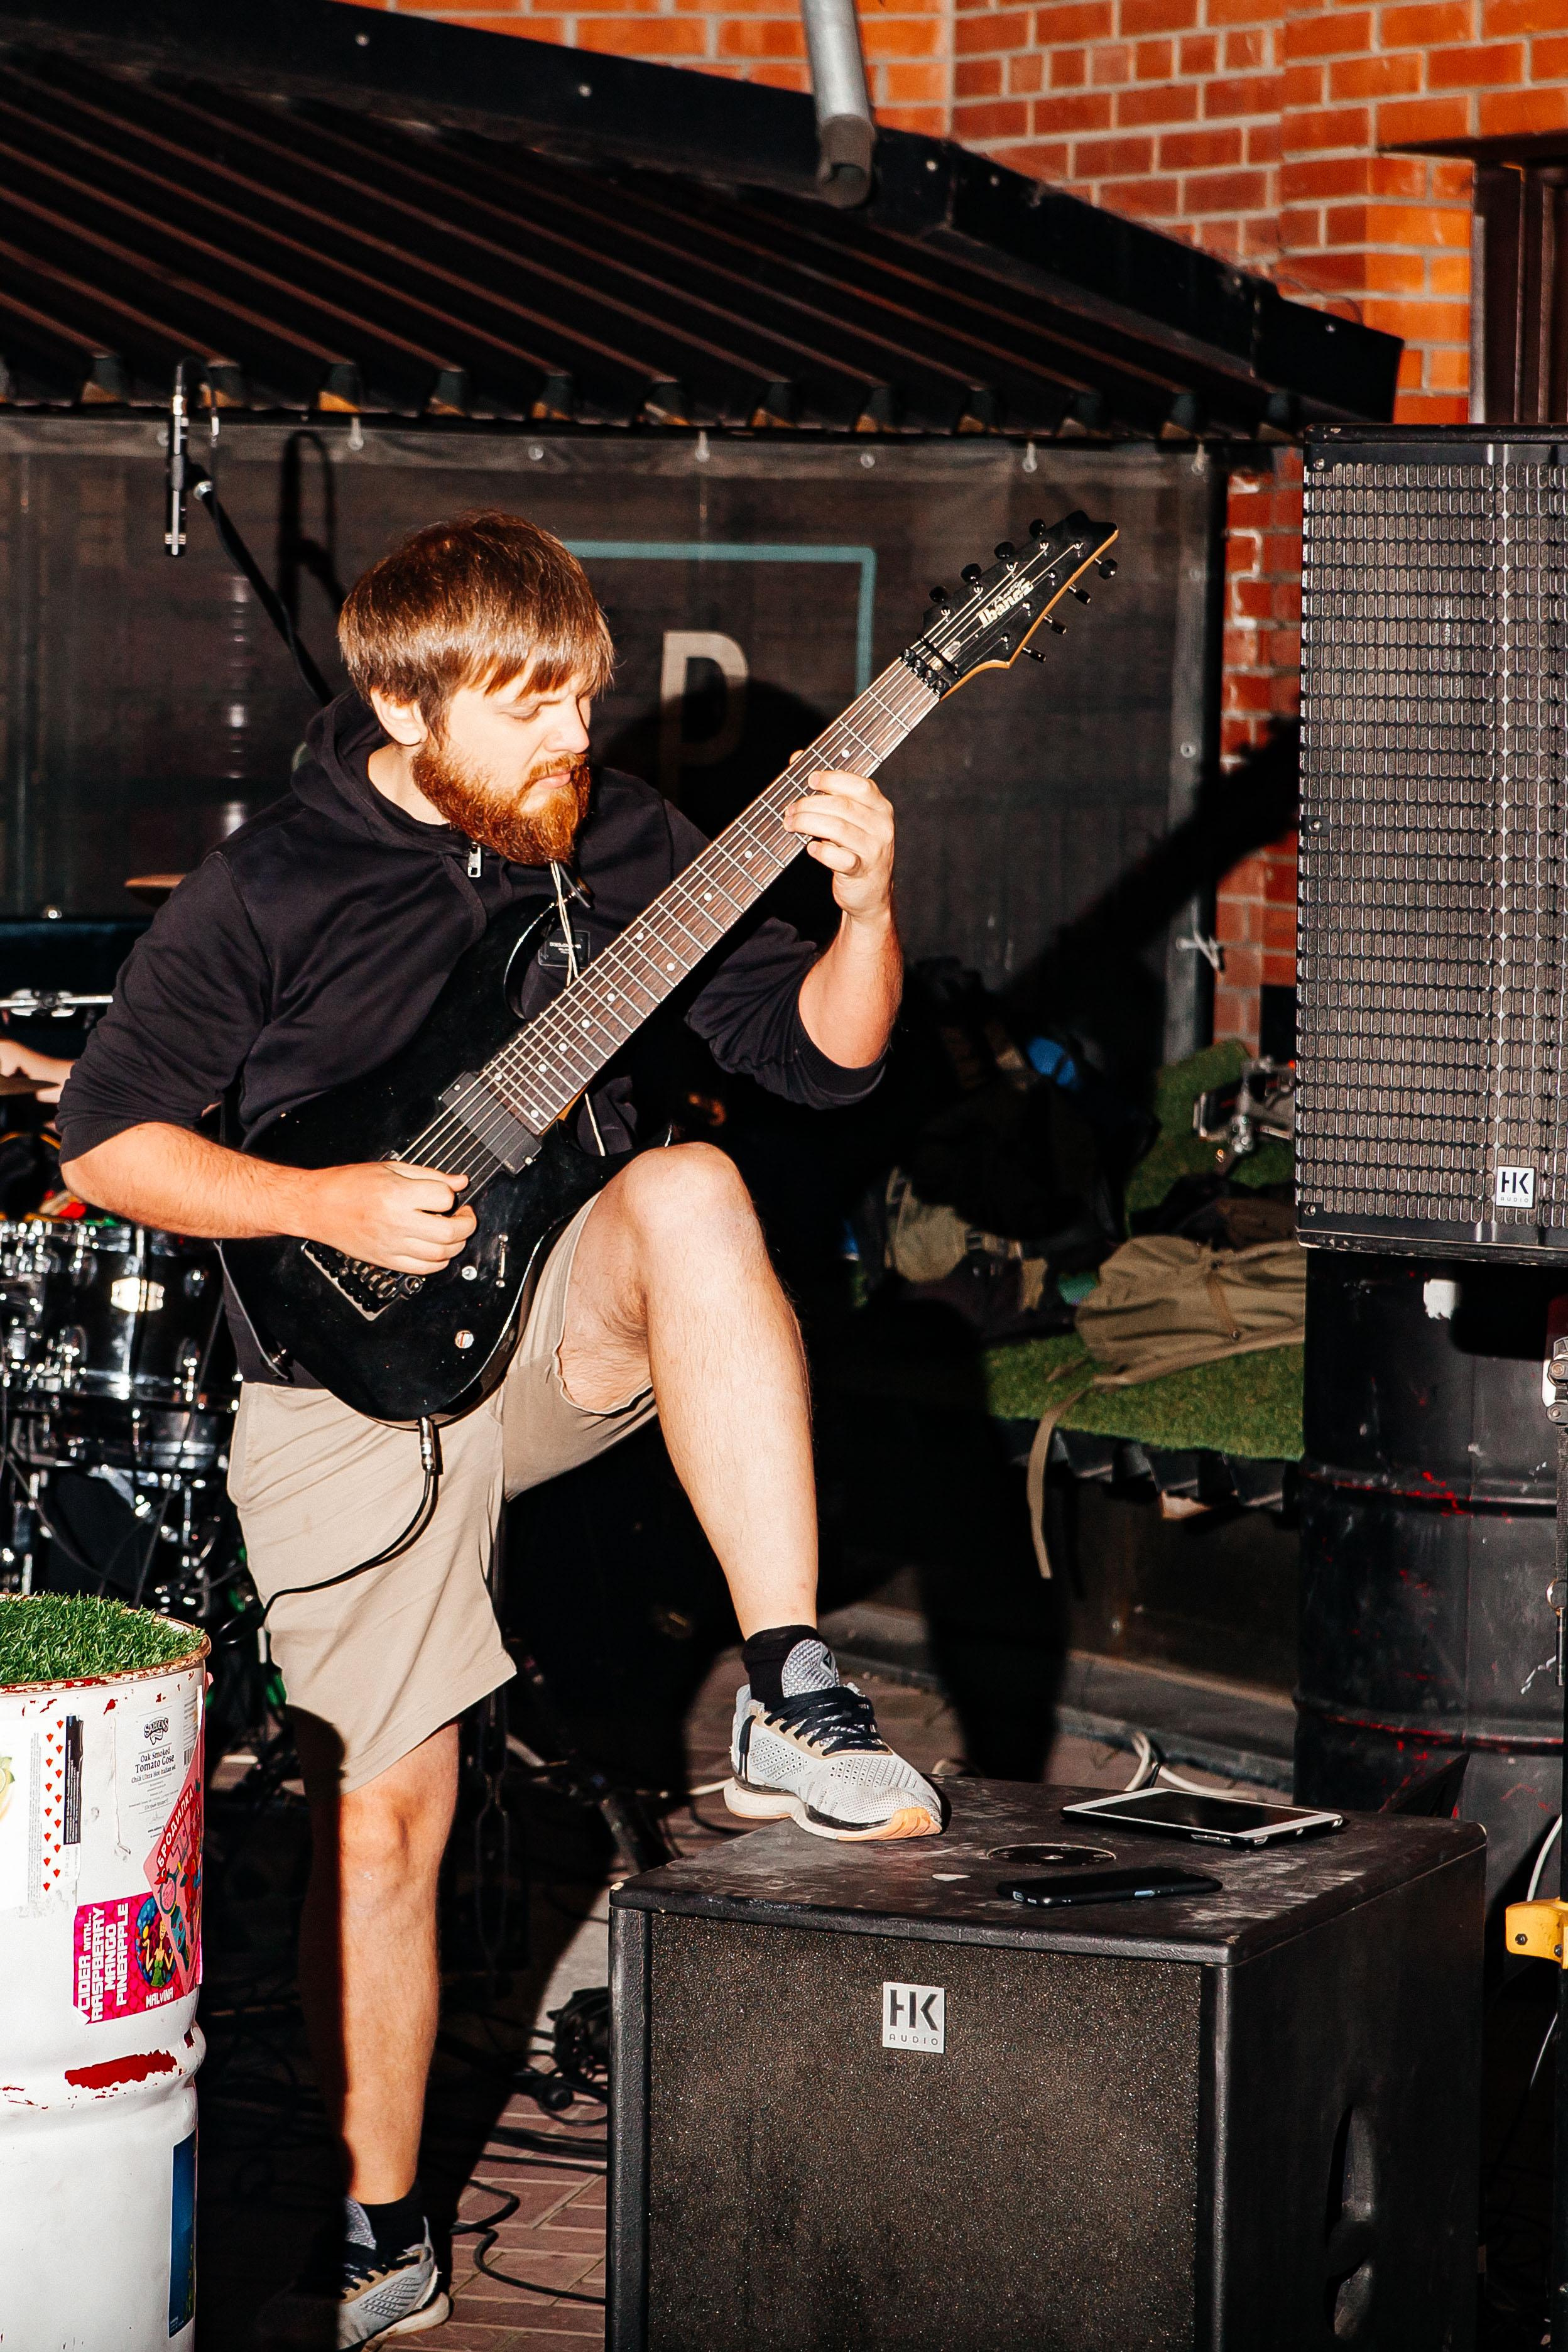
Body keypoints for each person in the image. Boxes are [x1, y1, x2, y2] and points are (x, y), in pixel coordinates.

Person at [58, 512, 940, 2348]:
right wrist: (324, 1207)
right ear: (404, 695)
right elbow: (112, 1144)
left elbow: (819, 1060)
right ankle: (384, 2217)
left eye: (588, 699)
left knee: (696, 1185)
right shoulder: (277, 881)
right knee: (395, 1815)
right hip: (338, 1365)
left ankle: (788, 1683)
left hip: (546, 1328)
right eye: (530, 703)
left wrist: (863, 909)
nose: (572, 738)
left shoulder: (613, 841)